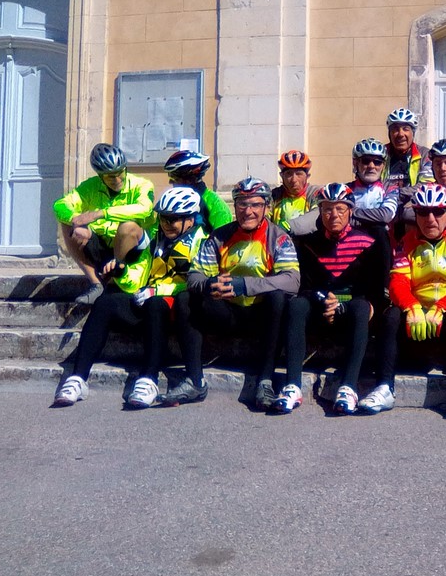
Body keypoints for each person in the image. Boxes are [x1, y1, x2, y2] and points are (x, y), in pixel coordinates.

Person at [52, 187, 208, 408]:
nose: (166, 224)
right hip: (147, 298)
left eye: (173, 219)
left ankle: (149, 379)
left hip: (176, 308)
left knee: (155, 304)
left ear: (190, 220)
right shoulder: (157, 239)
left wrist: (158, 291)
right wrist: (121, 272)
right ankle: (78, 378)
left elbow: (197, 282)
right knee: (105, 302)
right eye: (163, 218)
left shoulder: (203, 242)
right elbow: (139, 275)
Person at [361, 184, 446, 415]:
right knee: (391, 315)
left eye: (438, 212)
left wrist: (442, 307)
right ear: (415, 215)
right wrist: (412, 306)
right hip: (417, 312)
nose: (431, 219)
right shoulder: (406, 242)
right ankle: (384, 387)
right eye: (423, 212)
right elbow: (398, 282)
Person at [185, 177, 300, 411]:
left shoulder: (278, 237)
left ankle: (265, 381)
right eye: (242, 204)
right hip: (228, 311)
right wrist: (209, 284)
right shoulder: (219, 236)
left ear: (267, 207)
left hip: (261, 314)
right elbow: (194, 276)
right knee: (185, 299)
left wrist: (245, 285)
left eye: (256, 205)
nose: (248, 211)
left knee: (278, 298)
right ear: (235, 206)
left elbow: (292, 280)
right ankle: (195, 380)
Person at [286, 184, 389, 415]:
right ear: (320, 212)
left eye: (340, 209)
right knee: (297, 305)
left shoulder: (368, 243)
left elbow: (373, 291)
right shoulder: (308, 244)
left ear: (350, 211)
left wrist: (342, 306)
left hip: (353, 312)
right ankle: (292, 385)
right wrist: (323, 299)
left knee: (361, 307)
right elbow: (305, 287)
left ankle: (348, 387)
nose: (334, 215)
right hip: (320, 309)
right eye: (327, 209)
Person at [53, 143, 155, 304]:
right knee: (69, 225)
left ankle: (114, 283)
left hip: (134, 250)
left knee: (127, 227)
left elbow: (145, 208)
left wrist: (100, 214)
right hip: (103, 245)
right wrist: (74, 218)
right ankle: (96, 284)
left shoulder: (142, 185)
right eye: (110, 177)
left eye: (120, 173)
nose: (117, 180)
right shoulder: (90, 186)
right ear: (100, 176)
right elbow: (60, 204)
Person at [382, 108, 433, 238]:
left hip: (412, 205)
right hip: (384, 205)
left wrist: (396, 194)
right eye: (395, 129)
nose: (400, 134)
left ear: (413, 132)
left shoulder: (425, 155)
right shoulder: (380, 155)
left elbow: (426, 186)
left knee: (409, 215)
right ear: (389, 133)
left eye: (405, 129)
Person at [163, 150, 231, 234]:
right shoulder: (171, 202)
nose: (170, 182)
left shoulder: (215, 206)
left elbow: (223, 238)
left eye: (175, 179)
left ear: (190, 179)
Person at [270, 150, 322, 234]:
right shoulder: (274, 195)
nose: (294, 180)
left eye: (299, 174)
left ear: (307, 176)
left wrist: (288, 226)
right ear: (281, 176)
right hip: (278, 240)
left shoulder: (315, 192)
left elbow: (317, 214)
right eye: (289, 174)